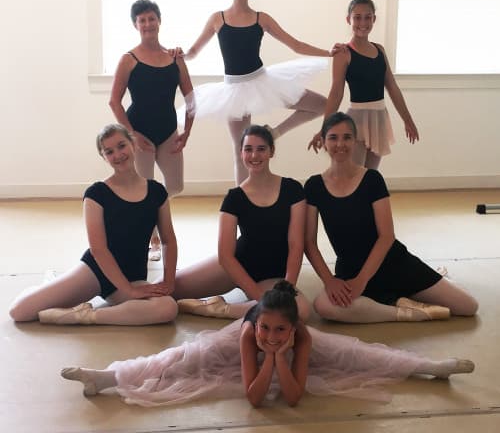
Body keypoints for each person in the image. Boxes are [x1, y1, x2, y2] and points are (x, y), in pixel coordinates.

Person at [60, 280, 475, 407]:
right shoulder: (247, 333)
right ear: (256, 324)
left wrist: (278, 356)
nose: (272, 336)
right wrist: (269, 354)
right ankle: (106, 377)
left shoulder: (302, 336)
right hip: (232, 346)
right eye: (267, 329)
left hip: (293, 349)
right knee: (179, 359)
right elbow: (256, 400)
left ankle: (430, 368)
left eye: (280, 331)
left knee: (356, 355)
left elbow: (291, 399)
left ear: (293, 329)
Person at [304, 112, 478, 323]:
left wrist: (362, 280)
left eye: (347, 137)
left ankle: (410, 293)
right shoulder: (314, 186)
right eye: (333, 137)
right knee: (323, 305)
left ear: (355, 141)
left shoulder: (372, 179)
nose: (340, 144)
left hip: (393, 263)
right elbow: (309, 243)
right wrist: (330, 281)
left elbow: (386, 236)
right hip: (351, 269)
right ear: (323, 142)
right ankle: (407, 313)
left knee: (468, 306)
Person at [9, 124, 178, 325]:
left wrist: (168, 281)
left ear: (133, 144)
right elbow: (98, 249)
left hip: (133, 276)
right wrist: (129, 291)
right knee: (19, 312)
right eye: (109, 151)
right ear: (103, 157)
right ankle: (48, 287)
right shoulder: (96, 194)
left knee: (167, 307)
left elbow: (168, 240)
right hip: (94, 272)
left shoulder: (157, 192)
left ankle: (83, 316)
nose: (118, 155)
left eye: (121, 146)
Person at [178, 0, 333, 184]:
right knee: (240, 150)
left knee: (323, 105)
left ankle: (274, 133)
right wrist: (179, 55)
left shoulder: (262, 19)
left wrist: (329, 53)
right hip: (234, 89)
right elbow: (193, 52)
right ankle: (241, 199)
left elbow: (296, 45)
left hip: (262, 81)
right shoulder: (217, 19)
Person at [173, 125, 310, 320]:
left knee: (300, 311)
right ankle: (259, 306)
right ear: (241, 153)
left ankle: (219, 308)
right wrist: (259, 296)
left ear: (271, 151)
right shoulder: (234, 198)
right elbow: (225, 256)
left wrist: (287, 287)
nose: (254, 155)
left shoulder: (293, 190)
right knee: (167, 287)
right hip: (238, 265)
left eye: (261, 149)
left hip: (273, 275)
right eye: (248, 149)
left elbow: (296, 245)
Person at [109, 0, 194, 261]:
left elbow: (191, 97)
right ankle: (154, 237)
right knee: (145, 190)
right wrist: (131, 135)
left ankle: (155, 218)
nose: (147, 24)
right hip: (140, 134)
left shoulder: (175, 58)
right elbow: (114, 102)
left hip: (169, 131)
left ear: (159, 21)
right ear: (135, 25)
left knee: (175, 185)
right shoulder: (128, 59)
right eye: (142, 20)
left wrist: (187, 132)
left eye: (151, 19)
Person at [309, 0, 418, 170]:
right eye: (357, 17)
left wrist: (408, 120)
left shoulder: (380, 50)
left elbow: (392, 87)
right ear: (348, 20)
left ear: (374, 19)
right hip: (357, 120)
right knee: (354, 175)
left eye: (367, 17)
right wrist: (325, 128)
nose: (363, 23)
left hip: (379, 119)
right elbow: (336, 93)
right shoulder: (343, 53)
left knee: (370, 177)